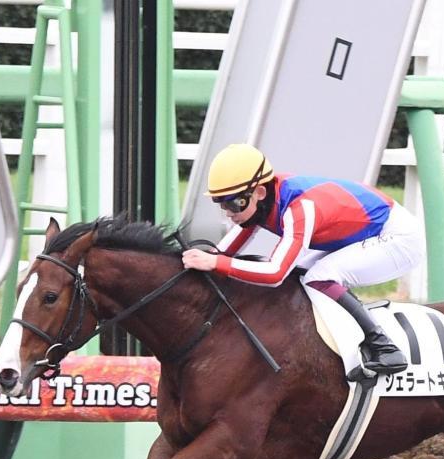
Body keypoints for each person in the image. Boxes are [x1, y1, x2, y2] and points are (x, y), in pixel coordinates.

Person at [182, 143, 426, 381]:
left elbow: (274, 273)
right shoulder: (260, 202)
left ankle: (384, 346)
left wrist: (215, 263)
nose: (229, 212)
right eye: (222, 204)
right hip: (365, 233)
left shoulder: (298, 208)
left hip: (398, 237)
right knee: (299, 274)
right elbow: (223, 252)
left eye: (234, 203)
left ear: (260, 193)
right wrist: (200, 261)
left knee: (318, 277)